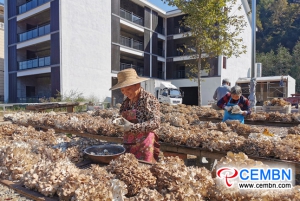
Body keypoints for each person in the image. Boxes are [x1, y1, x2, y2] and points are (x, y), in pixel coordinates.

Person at [110, 68, 160, 163]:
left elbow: (155, 122)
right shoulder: (126, 102)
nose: (125, 93)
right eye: (122, 90)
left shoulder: (149, 99)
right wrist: (116, 120)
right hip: (128, 143)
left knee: (143, 171)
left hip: (145, 144)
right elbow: (120, 116)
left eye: (128, 89)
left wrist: (132, 127)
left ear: (137, 84)